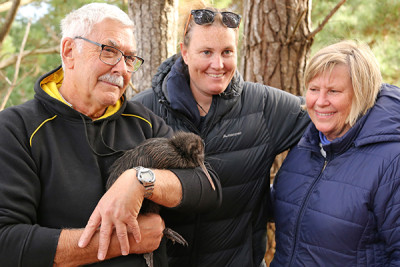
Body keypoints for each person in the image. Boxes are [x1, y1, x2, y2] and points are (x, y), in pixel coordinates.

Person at [0, 3, 220, 267]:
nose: (121, 68)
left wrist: (142, 181)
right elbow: (7, 243)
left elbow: (207, 187)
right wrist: (125, 241)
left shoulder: (143, 121)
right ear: (69, 52)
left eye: (129, 58)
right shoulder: (17, 129)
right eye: (109, 51)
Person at [132, 6, 310, 266]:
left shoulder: (262, 105)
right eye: (206, 52)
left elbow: (328, 116)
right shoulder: (145, 110)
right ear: (184, 52)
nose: (218, 64)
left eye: (227, 52)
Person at [271, 40, 400, 266]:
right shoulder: (305, 144)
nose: (320, 102)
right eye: (313, 89)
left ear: (362, 94)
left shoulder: (391, 160)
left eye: (333, 91)